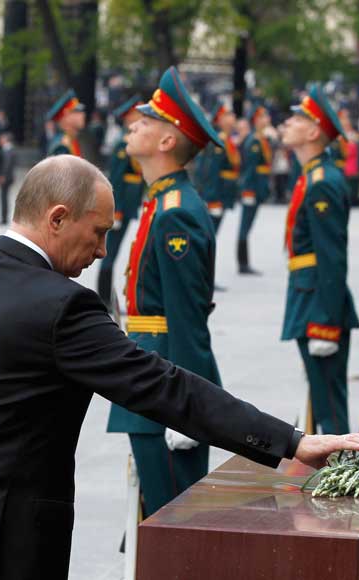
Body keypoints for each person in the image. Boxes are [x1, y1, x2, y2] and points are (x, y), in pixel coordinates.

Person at [0, 151, 359, 580]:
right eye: (97, 232)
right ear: (56, 218)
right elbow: (165, 387)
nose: (100, 250)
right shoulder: (61, 306)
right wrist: (292, 442)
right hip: (0, 548)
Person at [104, 67, 227, 517]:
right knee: (153, 516)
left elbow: (187, 316)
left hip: (166, 382)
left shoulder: (177, 212)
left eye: (148, 121)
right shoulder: (160, 200)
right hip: (151, 370)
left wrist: (188, 405)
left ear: (166, 142)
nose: (134, 124)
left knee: (171, 518)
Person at [279, 84, 359, 435]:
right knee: (321, 397)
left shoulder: (322, 182)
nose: (287, 122)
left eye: (297, 118)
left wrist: (325, 320)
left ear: (313, 132)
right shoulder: (312, 176)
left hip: (318, 303)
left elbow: (332, 256)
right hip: (308, 295)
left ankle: (344, 473)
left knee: (329, 403)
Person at [96, 95, 143, 305]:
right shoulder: (122, 145)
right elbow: (115, 180)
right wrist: (115, 211)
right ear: (128, 117)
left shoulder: (130, 142)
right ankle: (103, 299)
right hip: (120, 208)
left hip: (128, 206)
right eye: (137, 115)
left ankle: (104, 297)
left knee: (113, 254)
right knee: (110, 254)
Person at [237, 104, 272, 275]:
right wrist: (248, 191)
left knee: (248, 225)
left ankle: (244, 262)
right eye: (263, 117)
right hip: (251, 188)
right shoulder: (253, 141)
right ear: (256, 120)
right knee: (245, 225)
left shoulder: (261, 139)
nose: (267, 120)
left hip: (258, 187)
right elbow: (250, 169)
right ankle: (242, 263)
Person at [197, 103, 240, 234]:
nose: (233, 117)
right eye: (228, 114)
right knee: (209, 234)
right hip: (217, 193)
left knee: (213, 233)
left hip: (224, 192)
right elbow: (211, 171)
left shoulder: (226, 139)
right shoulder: (217, 140)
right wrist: (212, 199)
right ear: (220, 119)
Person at [46, 88, 85, 157]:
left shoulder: (71, 141)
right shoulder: (62, 147)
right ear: (66, 116)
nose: (82, 115)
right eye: (76, 112)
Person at [0, 132, 16, 224]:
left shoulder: (8, 150)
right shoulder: (8, 149)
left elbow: (7, 165)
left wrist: (3, 175)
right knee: (4, 197)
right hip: (8, 177)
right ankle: (3, 216)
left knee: (4, 197)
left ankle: (4, 217)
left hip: (6, 177)